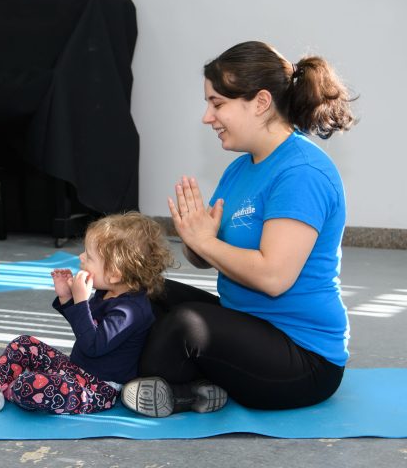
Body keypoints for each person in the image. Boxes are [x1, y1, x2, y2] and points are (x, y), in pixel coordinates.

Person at [122, 41, 356, 418]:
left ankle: (178, 387)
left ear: (260, 102)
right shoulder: (241, 168)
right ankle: (190, 384)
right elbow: (208, 256)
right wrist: (197, 241)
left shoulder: (302, 172)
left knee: (184, 326)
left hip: (304, 359)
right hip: (247, 323)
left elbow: (273, 276)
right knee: (142, 290)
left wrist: (204, 241)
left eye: (217, 103)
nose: (207, 116)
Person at [0, 212, 196, 415]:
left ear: (117, 273)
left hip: (99, 389)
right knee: (24, 344)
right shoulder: (108, 292)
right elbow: (86, 328)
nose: (81, 257)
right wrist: (67, 298)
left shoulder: (131, 311)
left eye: (90, 256)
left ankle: (10, 390)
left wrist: (81, 301)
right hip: (76, 370)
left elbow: (93, 344)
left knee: (30, 386)